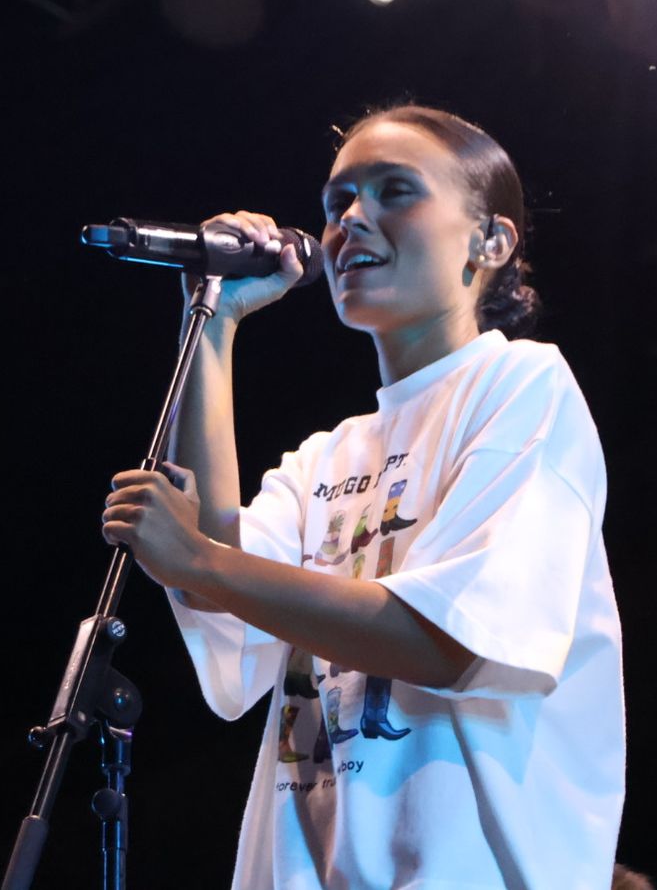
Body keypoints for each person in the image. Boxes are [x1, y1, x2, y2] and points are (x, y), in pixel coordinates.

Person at [101, 104, 625, 888]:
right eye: (337, 201)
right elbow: (220, 600)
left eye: (394, 191)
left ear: (490, 241)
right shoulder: (325, 458)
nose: (351, 219)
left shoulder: (523, 386)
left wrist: (201, 561)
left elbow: (447, 641)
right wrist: (207, 320)